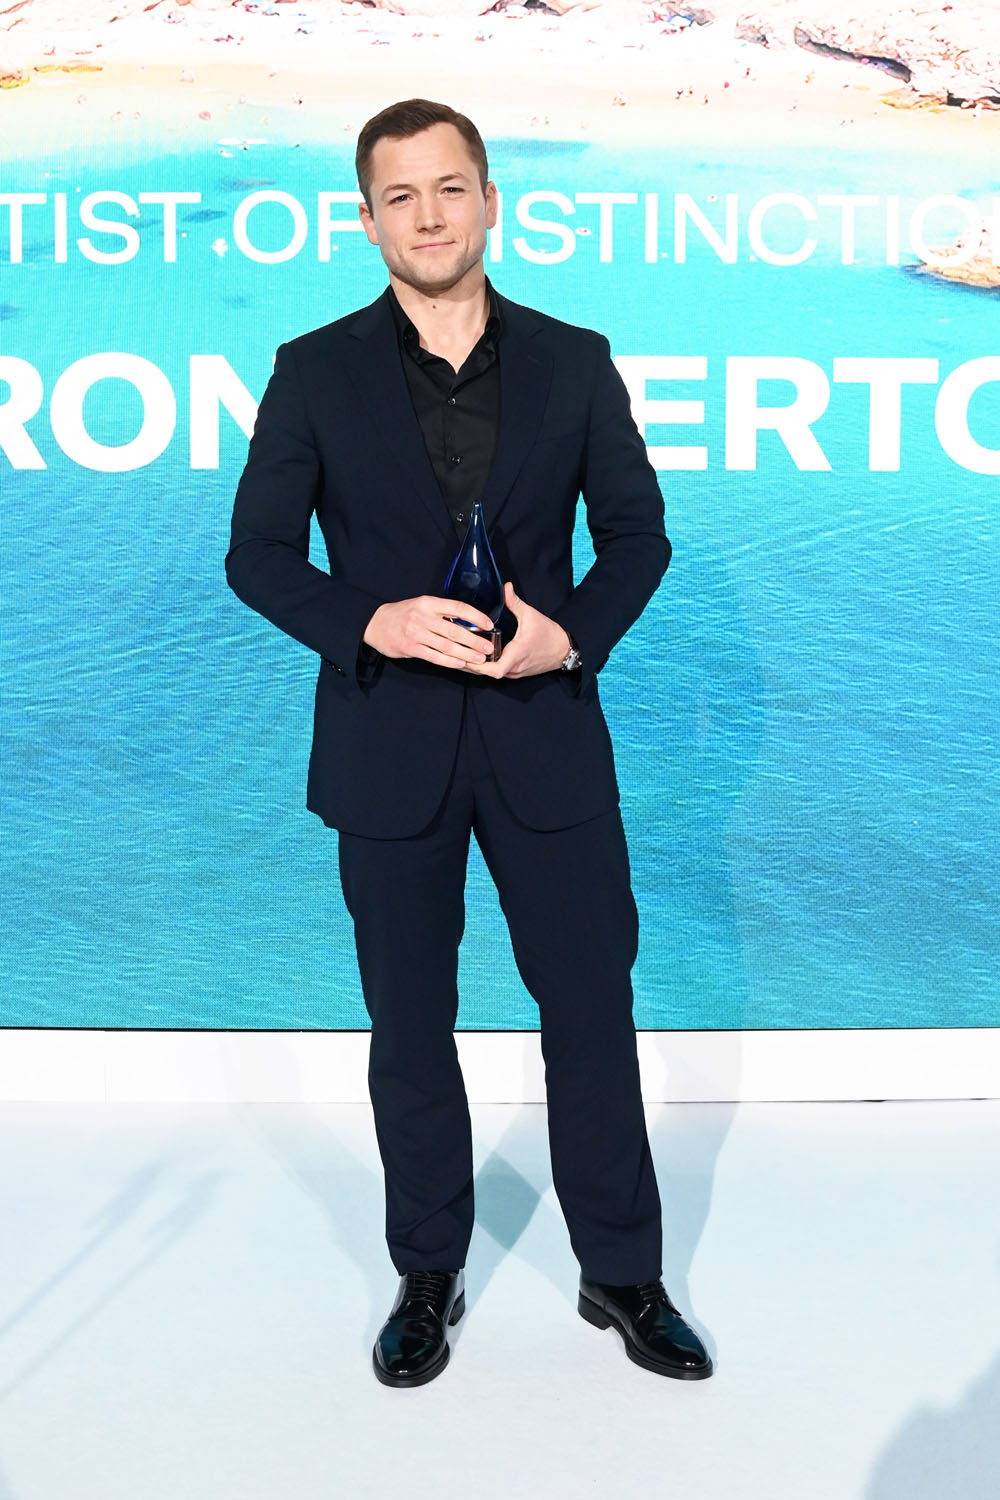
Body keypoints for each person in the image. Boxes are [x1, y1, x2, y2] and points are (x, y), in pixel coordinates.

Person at [226, 98, 712, 1388]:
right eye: (401, 196)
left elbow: (639, 536)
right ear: (368, 219)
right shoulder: (311, 370)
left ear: (490, 201)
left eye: (450, 189)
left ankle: (624, 1273)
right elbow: (257, 556)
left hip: (547, 737)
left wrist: (574, 635)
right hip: (387, 746)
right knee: (409, 1024)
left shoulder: (576, 360)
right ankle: (427, 1270)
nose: (429, 216)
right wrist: (369, 620)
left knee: (591, 1008)